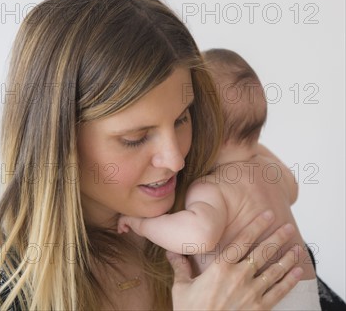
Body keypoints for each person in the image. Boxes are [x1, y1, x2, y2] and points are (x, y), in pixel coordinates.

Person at [0, 0, 335, 310]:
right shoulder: (1, 292)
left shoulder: (227, 217)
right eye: (135, 138)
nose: (175, 160)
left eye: (183, 119)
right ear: (59, 144)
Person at [118, 48, 346, 310]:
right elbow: (293, 190)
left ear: (212, 134)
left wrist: (141, 224)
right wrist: (251, 142)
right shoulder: (270, 170)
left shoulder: (211, 187)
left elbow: (199, 236)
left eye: (186, 118)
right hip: (304, 295)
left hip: (263, 298)